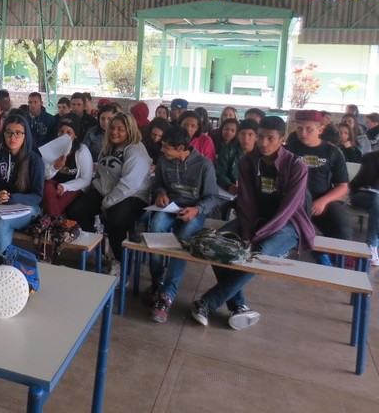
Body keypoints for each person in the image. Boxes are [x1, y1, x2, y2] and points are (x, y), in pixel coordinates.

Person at [190, 116, 315, 330]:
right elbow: (246, 201)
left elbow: (289, 209)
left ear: (282, 139)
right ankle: (238, 306)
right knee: (218, 243)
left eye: (270, 138)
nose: (263, 143)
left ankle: (207, 302)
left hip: (287, 224)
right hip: (254, 219)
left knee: (259, 252)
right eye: (260, 137)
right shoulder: (247, 162)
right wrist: (247, 232)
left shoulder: (296, 166)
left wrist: (258, 235)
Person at [148, 125, 218, 323]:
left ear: (180, 148)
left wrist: (196, 210)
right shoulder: (163, 161)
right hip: (171, 207)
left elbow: (213, 197)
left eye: (166, 147)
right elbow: (158, 184)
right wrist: (161, 193)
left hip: (194, 211)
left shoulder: (204, 165)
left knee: (183, 239)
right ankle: (157, 281)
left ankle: (166, 295)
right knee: (156, 226)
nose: (162, 150)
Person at [69, 113, 151, 264]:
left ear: (130, 130)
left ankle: (120, 262)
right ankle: (97, 245)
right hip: (107, 192)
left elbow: (129, 184)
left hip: (133, 195)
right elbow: (101, 174)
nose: (114, 132)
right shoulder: (108, 148)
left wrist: (107, 203)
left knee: (115, 219)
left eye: (120, 129)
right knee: (77, 210)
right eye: (112, 128)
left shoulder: (136, 150)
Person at [285, 109, 352, 264]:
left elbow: (342, 186)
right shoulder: (289, 150)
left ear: (320, 129)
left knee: (342, 227)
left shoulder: (332, 151)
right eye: (300, 128)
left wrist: (323, 201)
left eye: (309, 129)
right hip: (295, 201)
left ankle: (338, 260)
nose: (303, 133)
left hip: (322, 201)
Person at [0, 114, 45, 253]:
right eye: (9, 133)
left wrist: (13, 198)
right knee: (2, 226)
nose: (13, 138)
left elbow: (37, 196)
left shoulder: (34, 160)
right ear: (3, 134)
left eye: (18, 133)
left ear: (25, 135)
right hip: (1, 208)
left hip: (29, 209)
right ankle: (3, 265)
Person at [42, 115, 93, 219]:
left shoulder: (81, 150)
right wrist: (55, 167)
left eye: (69, 133)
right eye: (61, 132)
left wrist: (65, 187)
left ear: (75, 135)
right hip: (53, 185)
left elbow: (86, 179)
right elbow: (45, 176)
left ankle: (50, 223)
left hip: (73, 186)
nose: (64, 136)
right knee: (47, 188)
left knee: (57, 203)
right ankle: (55, 223)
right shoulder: (51, 148)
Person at [349, 150, 379, 266]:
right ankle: (371, 246)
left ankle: (372, 246)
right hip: (363, 194)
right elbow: (359, 181)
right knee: (378, 199)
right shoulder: (370, 157)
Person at [216, 119, 258, 195]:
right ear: (238, 135)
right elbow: (220, 173)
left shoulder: (261, 154)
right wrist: (229, 186)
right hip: (231, 192)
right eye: (242, 134)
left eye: (250, 134)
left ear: (256, 137)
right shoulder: (228, 150)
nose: (246, 138)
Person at [214, 118, 241, 193]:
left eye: (232, 130)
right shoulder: (213, 142)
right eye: (226, 129)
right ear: (221, 129)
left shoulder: (238, 148)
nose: (229, 132)